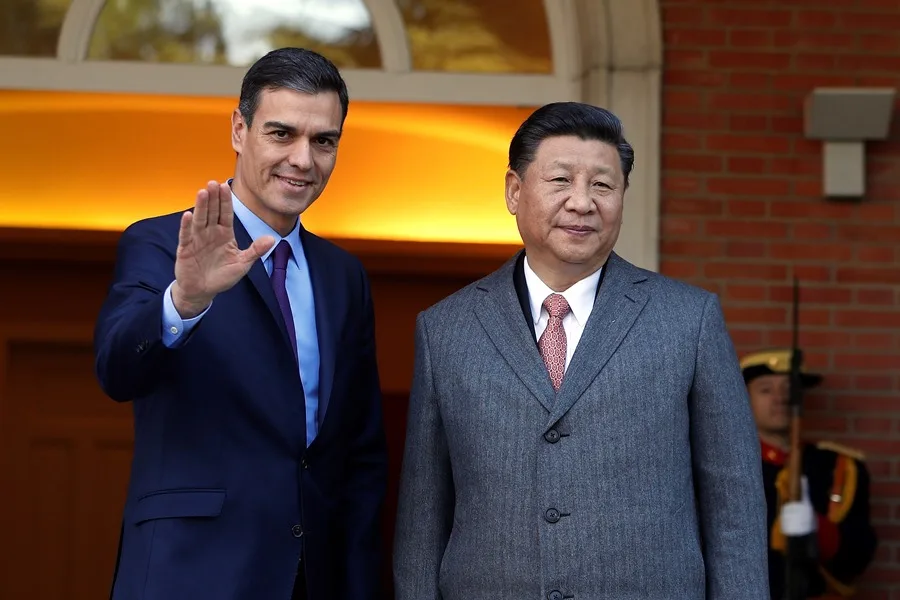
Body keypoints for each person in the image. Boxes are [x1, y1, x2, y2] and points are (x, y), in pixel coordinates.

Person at [393, 102, 769, 599]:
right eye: (561, 180)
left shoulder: (687, 320)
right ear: (514, 191)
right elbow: (423, 515)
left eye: (602, 185)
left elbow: (734, 505)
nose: (582, 202)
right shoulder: (446, 329)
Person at [93, 48, 387, 600]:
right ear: (238, 129)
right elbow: (116, 370)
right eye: (282, 134)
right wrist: (186, 299)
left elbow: (359, 454)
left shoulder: (344, 277)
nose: (303, 159)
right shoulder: (160, 244)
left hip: (312, 578)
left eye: (324, 141)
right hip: (189, 573)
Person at [740, 348, 878, 598]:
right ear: (744, 399)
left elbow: (859, 556)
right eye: (766, 389)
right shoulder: (722, 467)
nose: (781, 398)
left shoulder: (839, 467)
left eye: (789, 388)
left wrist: (818, 529)